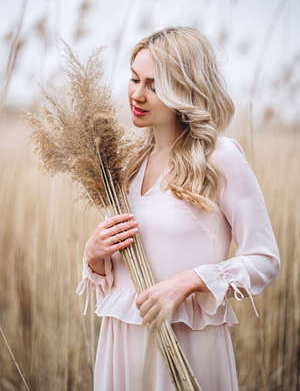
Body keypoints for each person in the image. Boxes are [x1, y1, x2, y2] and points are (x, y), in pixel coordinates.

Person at [76, 26, 280, 391]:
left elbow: (264, 260)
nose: (137, 94)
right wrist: (93, 257)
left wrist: (189, 282)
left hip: (186, 345)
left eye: (153, 85)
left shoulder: (221, 157)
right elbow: (119, 273)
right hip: (122, 344)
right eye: (134, 78)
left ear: (184, 89)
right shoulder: (128, 164)